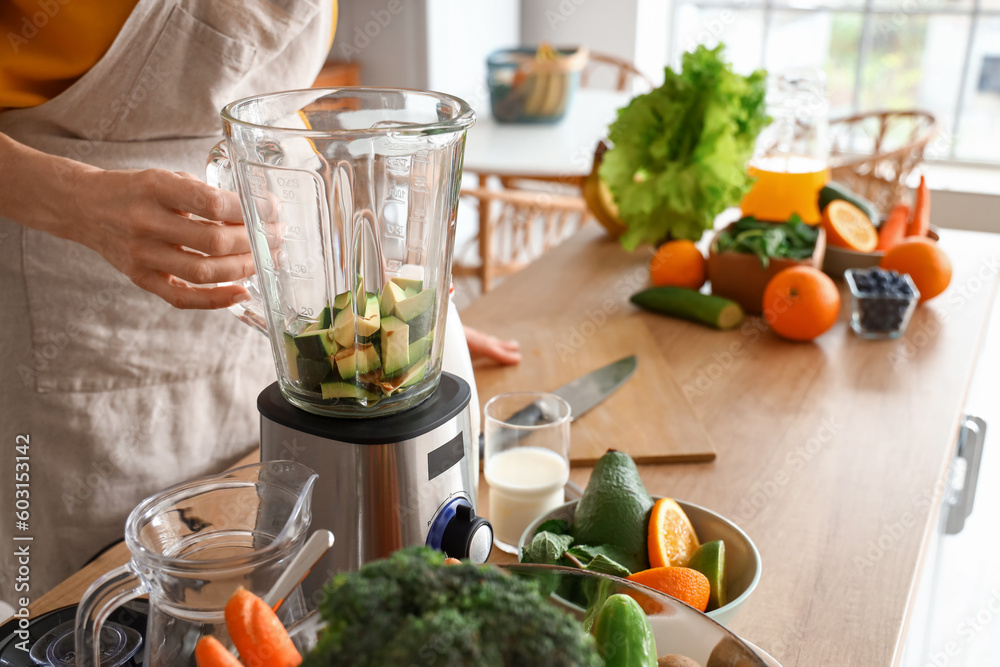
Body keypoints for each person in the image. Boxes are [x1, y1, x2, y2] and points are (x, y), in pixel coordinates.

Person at [0, 0, 516, 605]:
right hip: (91, 317)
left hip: (283, 312)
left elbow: (267, 90)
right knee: (121, 605)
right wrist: (76, 201)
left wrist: (399, 330)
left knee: (285, 593)